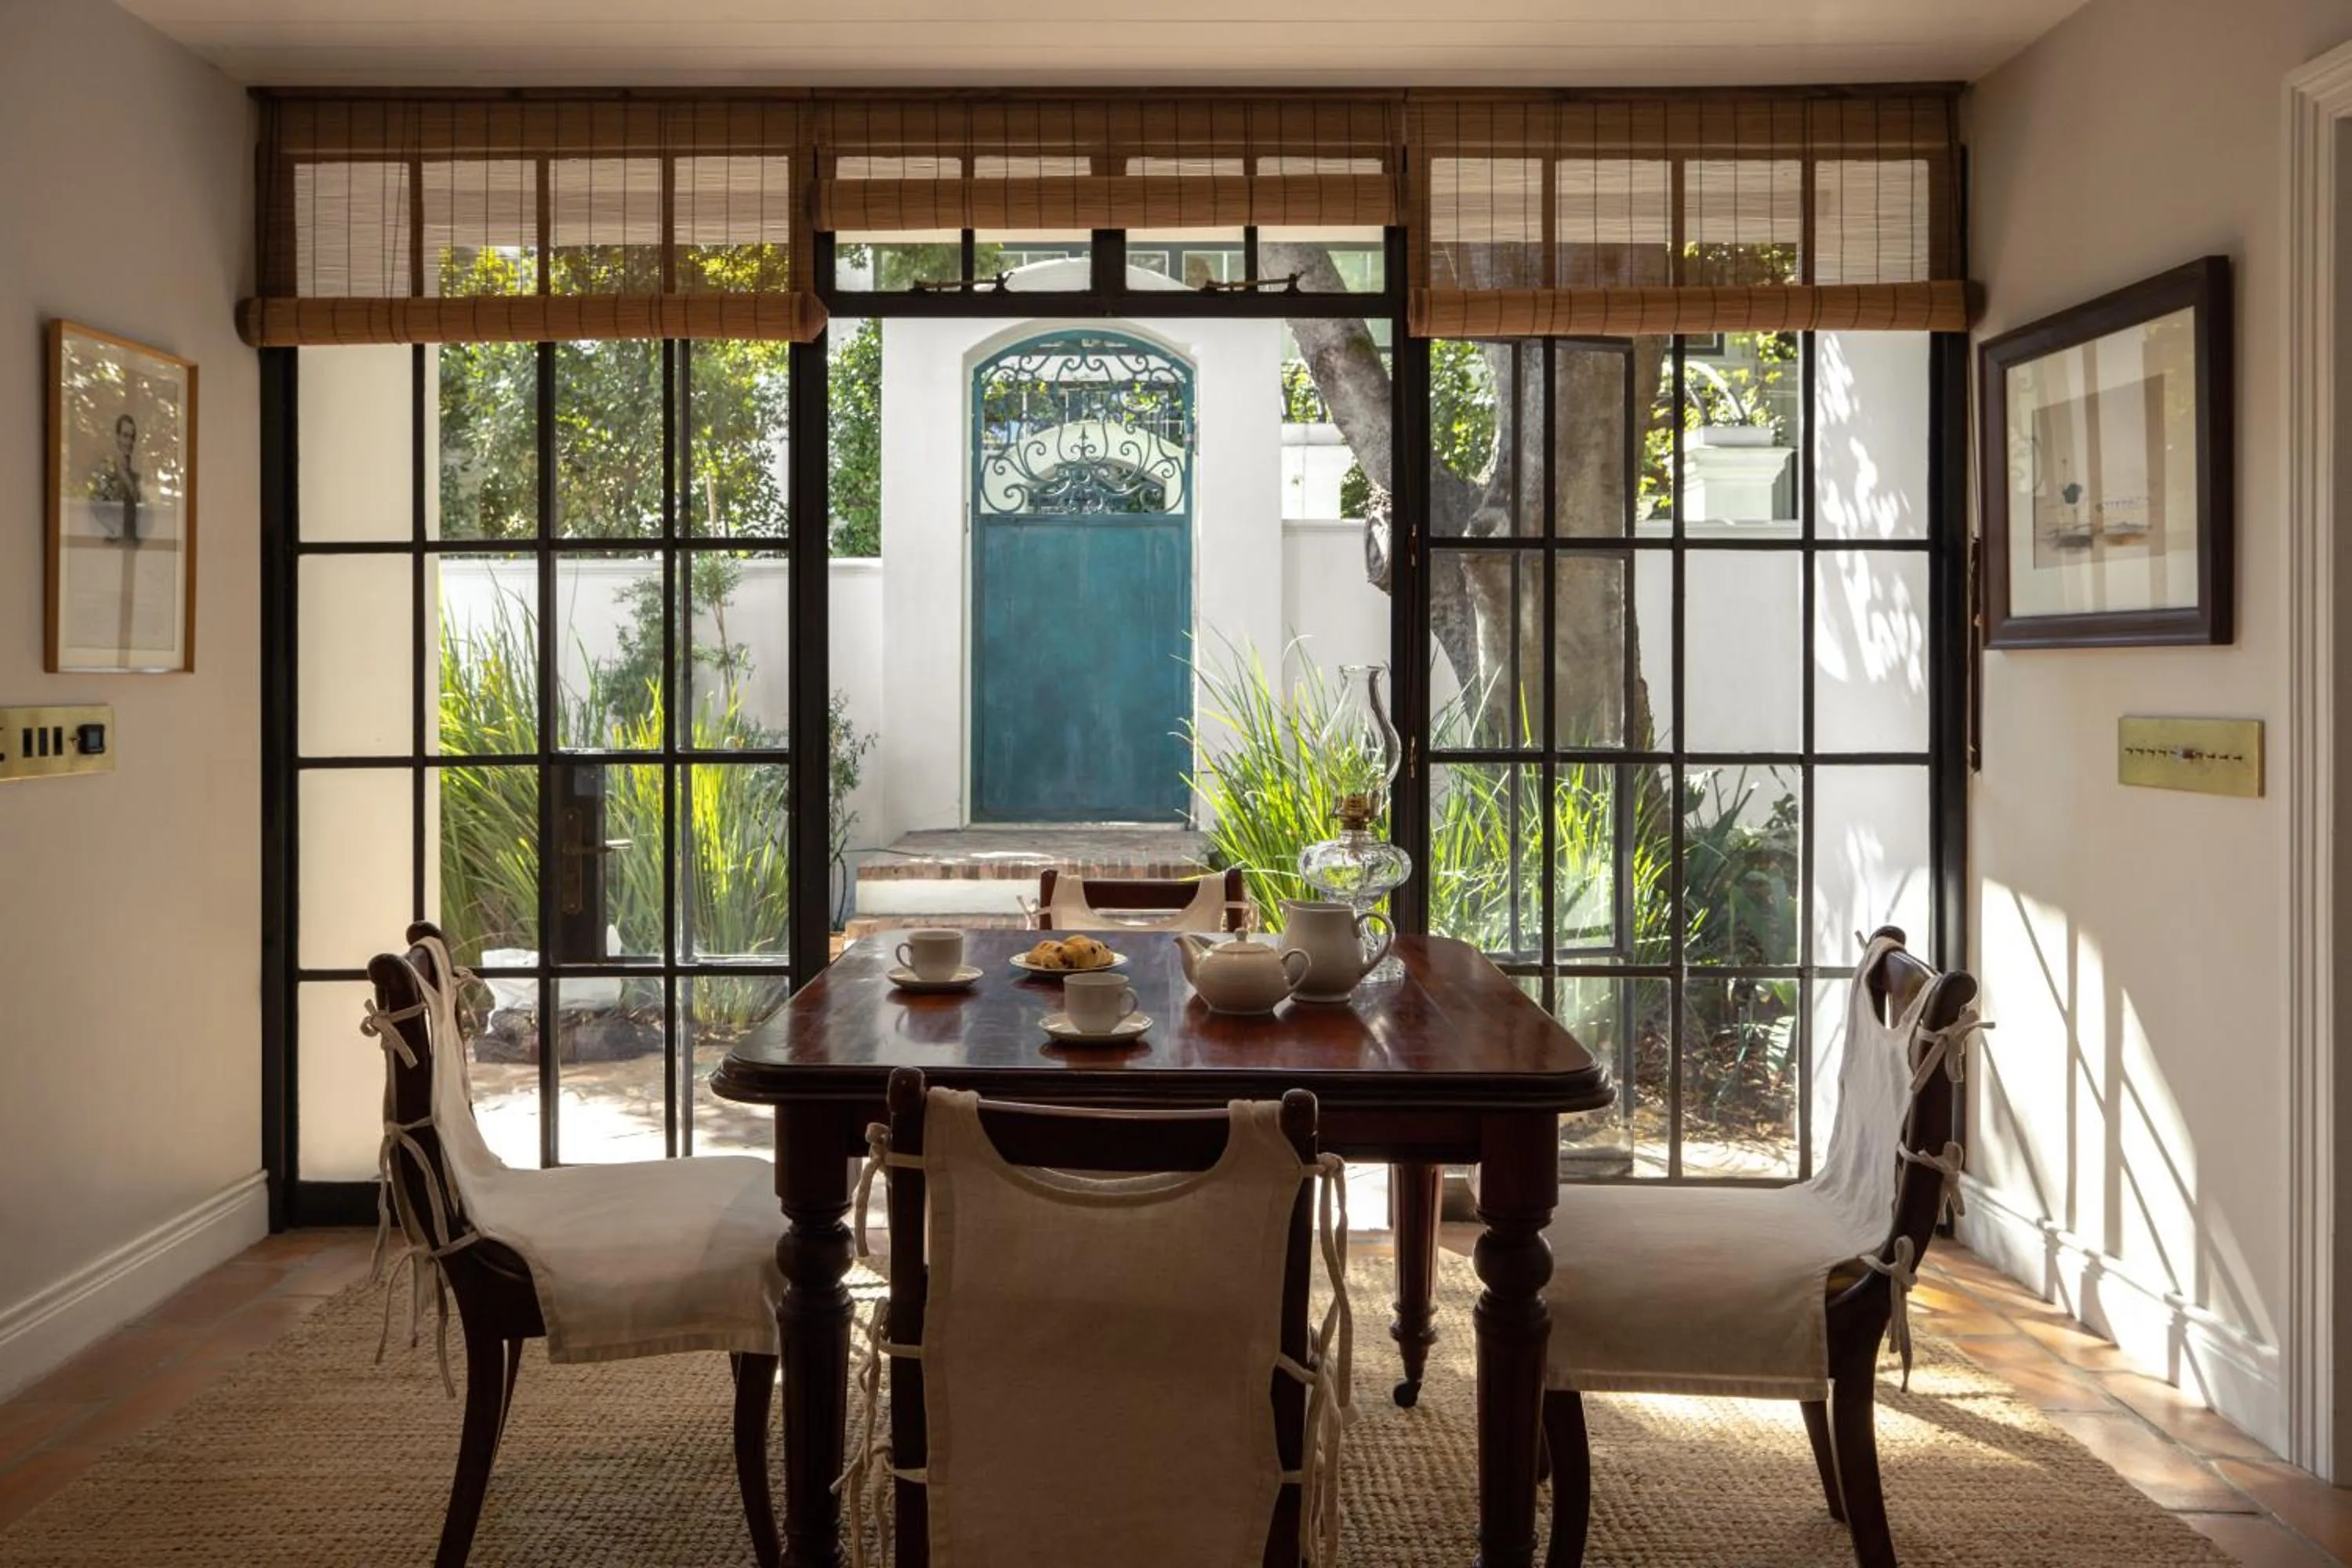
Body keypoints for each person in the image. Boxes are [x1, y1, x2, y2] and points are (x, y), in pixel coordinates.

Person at [92, 412, 143, 546]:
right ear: (117, 437)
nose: (129, 442)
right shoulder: (107, 469)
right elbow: (98, 503)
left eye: (132, 437)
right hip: (113, 539)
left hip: (130, 539)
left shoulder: (133, 472)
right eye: (125, 436)